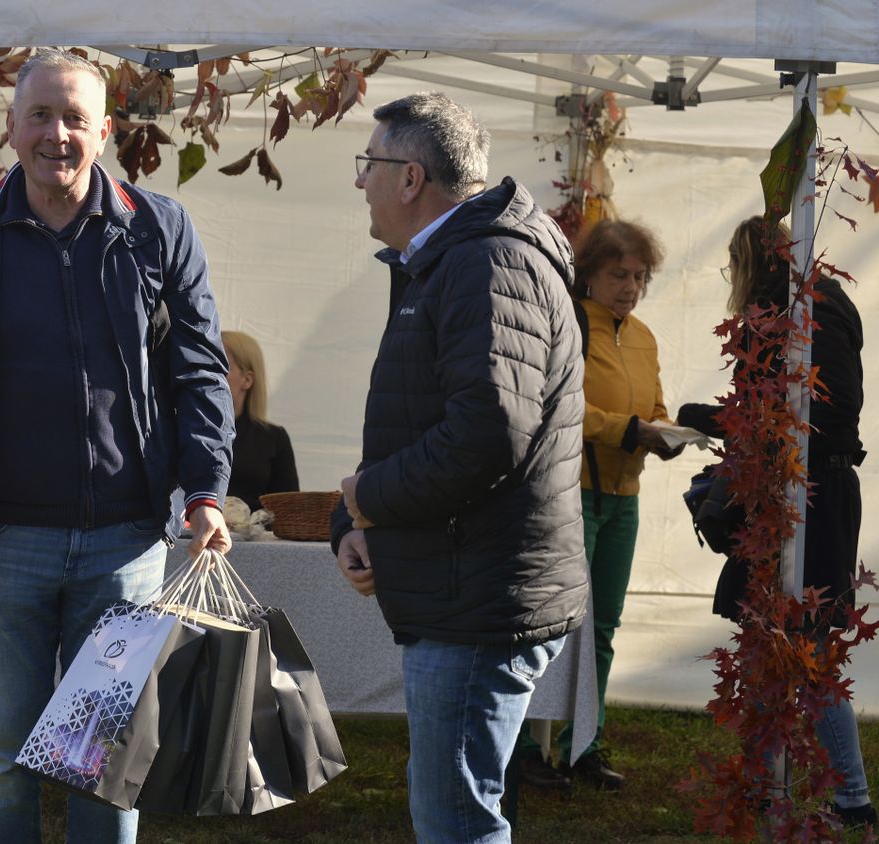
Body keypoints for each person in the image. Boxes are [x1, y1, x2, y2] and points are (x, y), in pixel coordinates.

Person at [0, 50, 234, 844]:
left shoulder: (158, 230)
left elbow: (201, 374)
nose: (56, 134)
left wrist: (204, 491)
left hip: (125, 546)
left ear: (105, 131)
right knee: (2, 755)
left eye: (75, 120)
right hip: (2, 541)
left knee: (102, 763)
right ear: (11, 125)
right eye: (40, 116)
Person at [330, 91, 589, 844]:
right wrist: (356, 519)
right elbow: (427, 420)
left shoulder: (488, 263)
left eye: (368, 165)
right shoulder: (456, 261)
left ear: (411, 179)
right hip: (467, 588)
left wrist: (368, 500)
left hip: (481, 601)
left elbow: (484, 436)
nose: (359, 182)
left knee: (455, 825)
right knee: (454, 816)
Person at [677, 215, 874, 827]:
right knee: (769, 633)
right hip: (803, 491)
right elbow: (783, 405)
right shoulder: (813, 304)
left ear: (749, 262)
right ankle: (763, 783)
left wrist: (705, 417)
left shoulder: (791, 307)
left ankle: (851, 799)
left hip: (808, 495)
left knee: (806, 647)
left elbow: (805, 408)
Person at [520, 220, 683, 792]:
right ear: (588, 272)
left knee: (604, 627)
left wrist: (664, 434)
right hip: (570, 495)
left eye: (640, 276)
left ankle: (582, 743)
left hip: (623, 498)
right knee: (551, 624)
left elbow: (654, 406)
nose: (631, 286)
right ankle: (522, 748)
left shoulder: (643, 336)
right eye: (619, 274)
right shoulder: (566, 321)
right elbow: (556, 408)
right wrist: (626, 429)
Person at [221, 330, 299, 511]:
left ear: (247, 380)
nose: (210, 374)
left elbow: (288, 508)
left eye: (222, 366)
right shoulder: (187, 430)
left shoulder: (273, 438)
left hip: (255, 536)